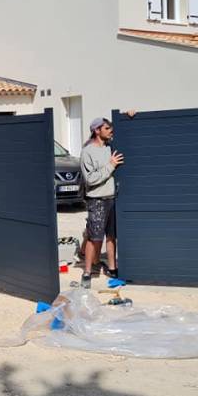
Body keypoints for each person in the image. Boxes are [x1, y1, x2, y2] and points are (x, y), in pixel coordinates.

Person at [80, 117, 123, 288]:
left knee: (111, 236)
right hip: (96, 200)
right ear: (97, 130)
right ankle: (87, 272)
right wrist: (111, 166)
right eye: (107, 128)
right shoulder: (87, 152)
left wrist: (130, 113)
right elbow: (90, 179)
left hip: (112, 198)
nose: (110, 130)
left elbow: (128, 129)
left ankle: (112, 269)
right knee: (94, 238)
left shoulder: (110, 147)